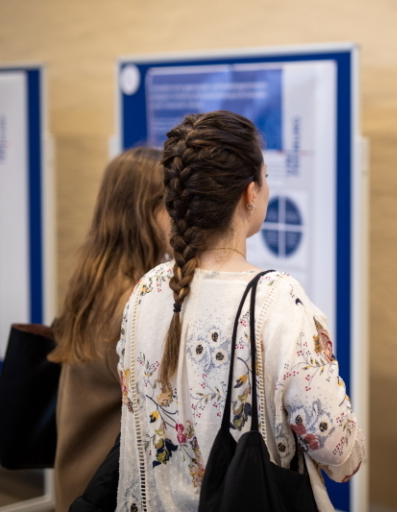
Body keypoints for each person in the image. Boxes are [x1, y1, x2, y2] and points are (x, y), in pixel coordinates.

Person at [116, 111, 365, 512]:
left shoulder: (145, 291)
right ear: (251, 193)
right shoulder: (278, 301)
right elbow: (339, 455)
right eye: (265, 178)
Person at [49, 147, 171, 512]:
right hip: (107, 491)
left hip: (77, 482)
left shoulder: (98, 278)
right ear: (144, 212)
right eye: (172, 205)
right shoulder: (133, 303)